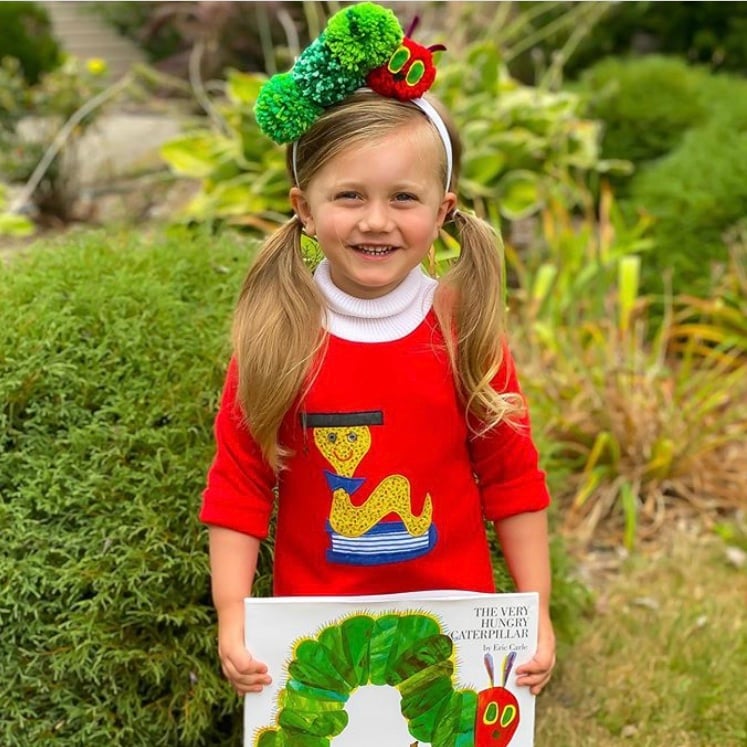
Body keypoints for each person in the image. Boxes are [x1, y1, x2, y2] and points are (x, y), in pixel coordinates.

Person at [200, 1, 555, 703]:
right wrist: (234, 614)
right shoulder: (281, 330)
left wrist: (533, 608)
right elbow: (240, 482)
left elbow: (511, 476)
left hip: (454, 632)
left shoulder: (463, 327)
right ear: (303, 207)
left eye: (403, 197)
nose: (374, 220)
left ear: (443, 207)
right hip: (315, 631)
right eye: (349, 195)